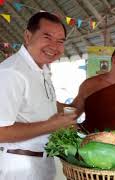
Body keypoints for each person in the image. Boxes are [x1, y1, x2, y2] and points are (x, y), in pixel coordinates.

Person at [0, 12, 77, 180]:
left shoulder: (42, 69)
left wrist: (69, 111)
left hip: (42, 163)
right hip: (19, 168)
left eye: (60, 41)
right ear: (28, 36)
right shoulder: (12, 72)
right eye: (47, 37)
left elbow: (40, 102)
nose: (54, 46)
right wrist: (52, 125)